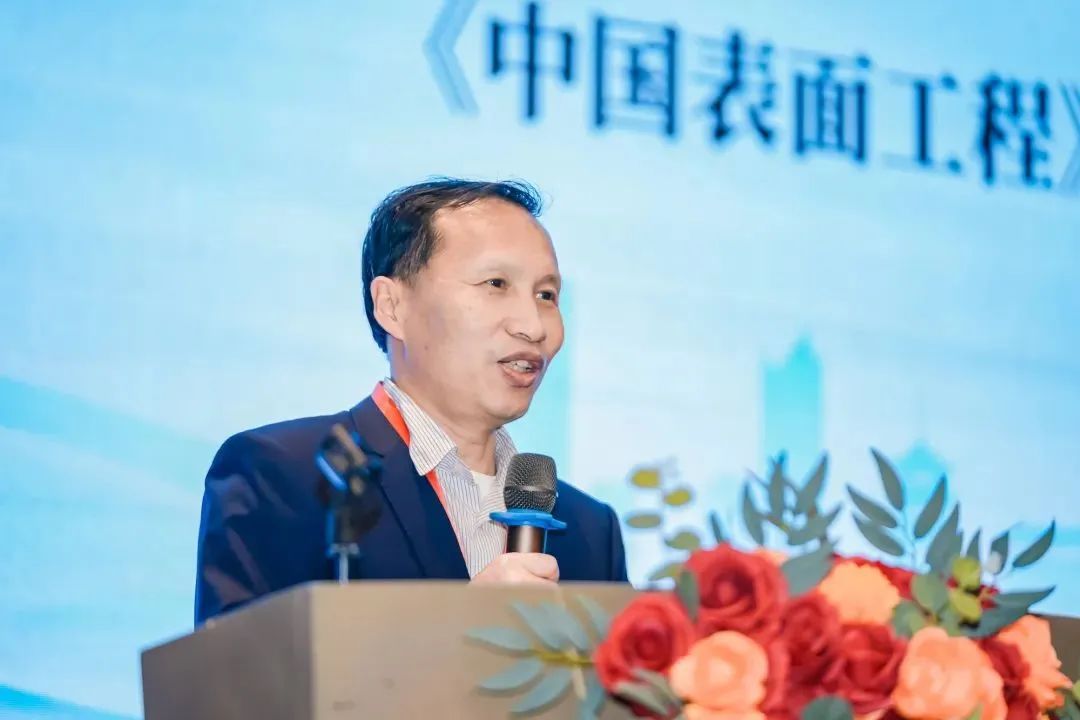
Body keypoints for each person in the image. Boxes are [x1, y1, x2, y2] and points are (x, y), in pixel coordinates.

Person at [194, 178, 628, 624]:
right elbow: (241, 669)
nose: (533, 326)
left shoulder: (590, 531)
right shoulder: (288, 475)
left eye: (546, 295)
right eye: (496, 283)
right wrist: (459, 628)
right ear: (392, 306)